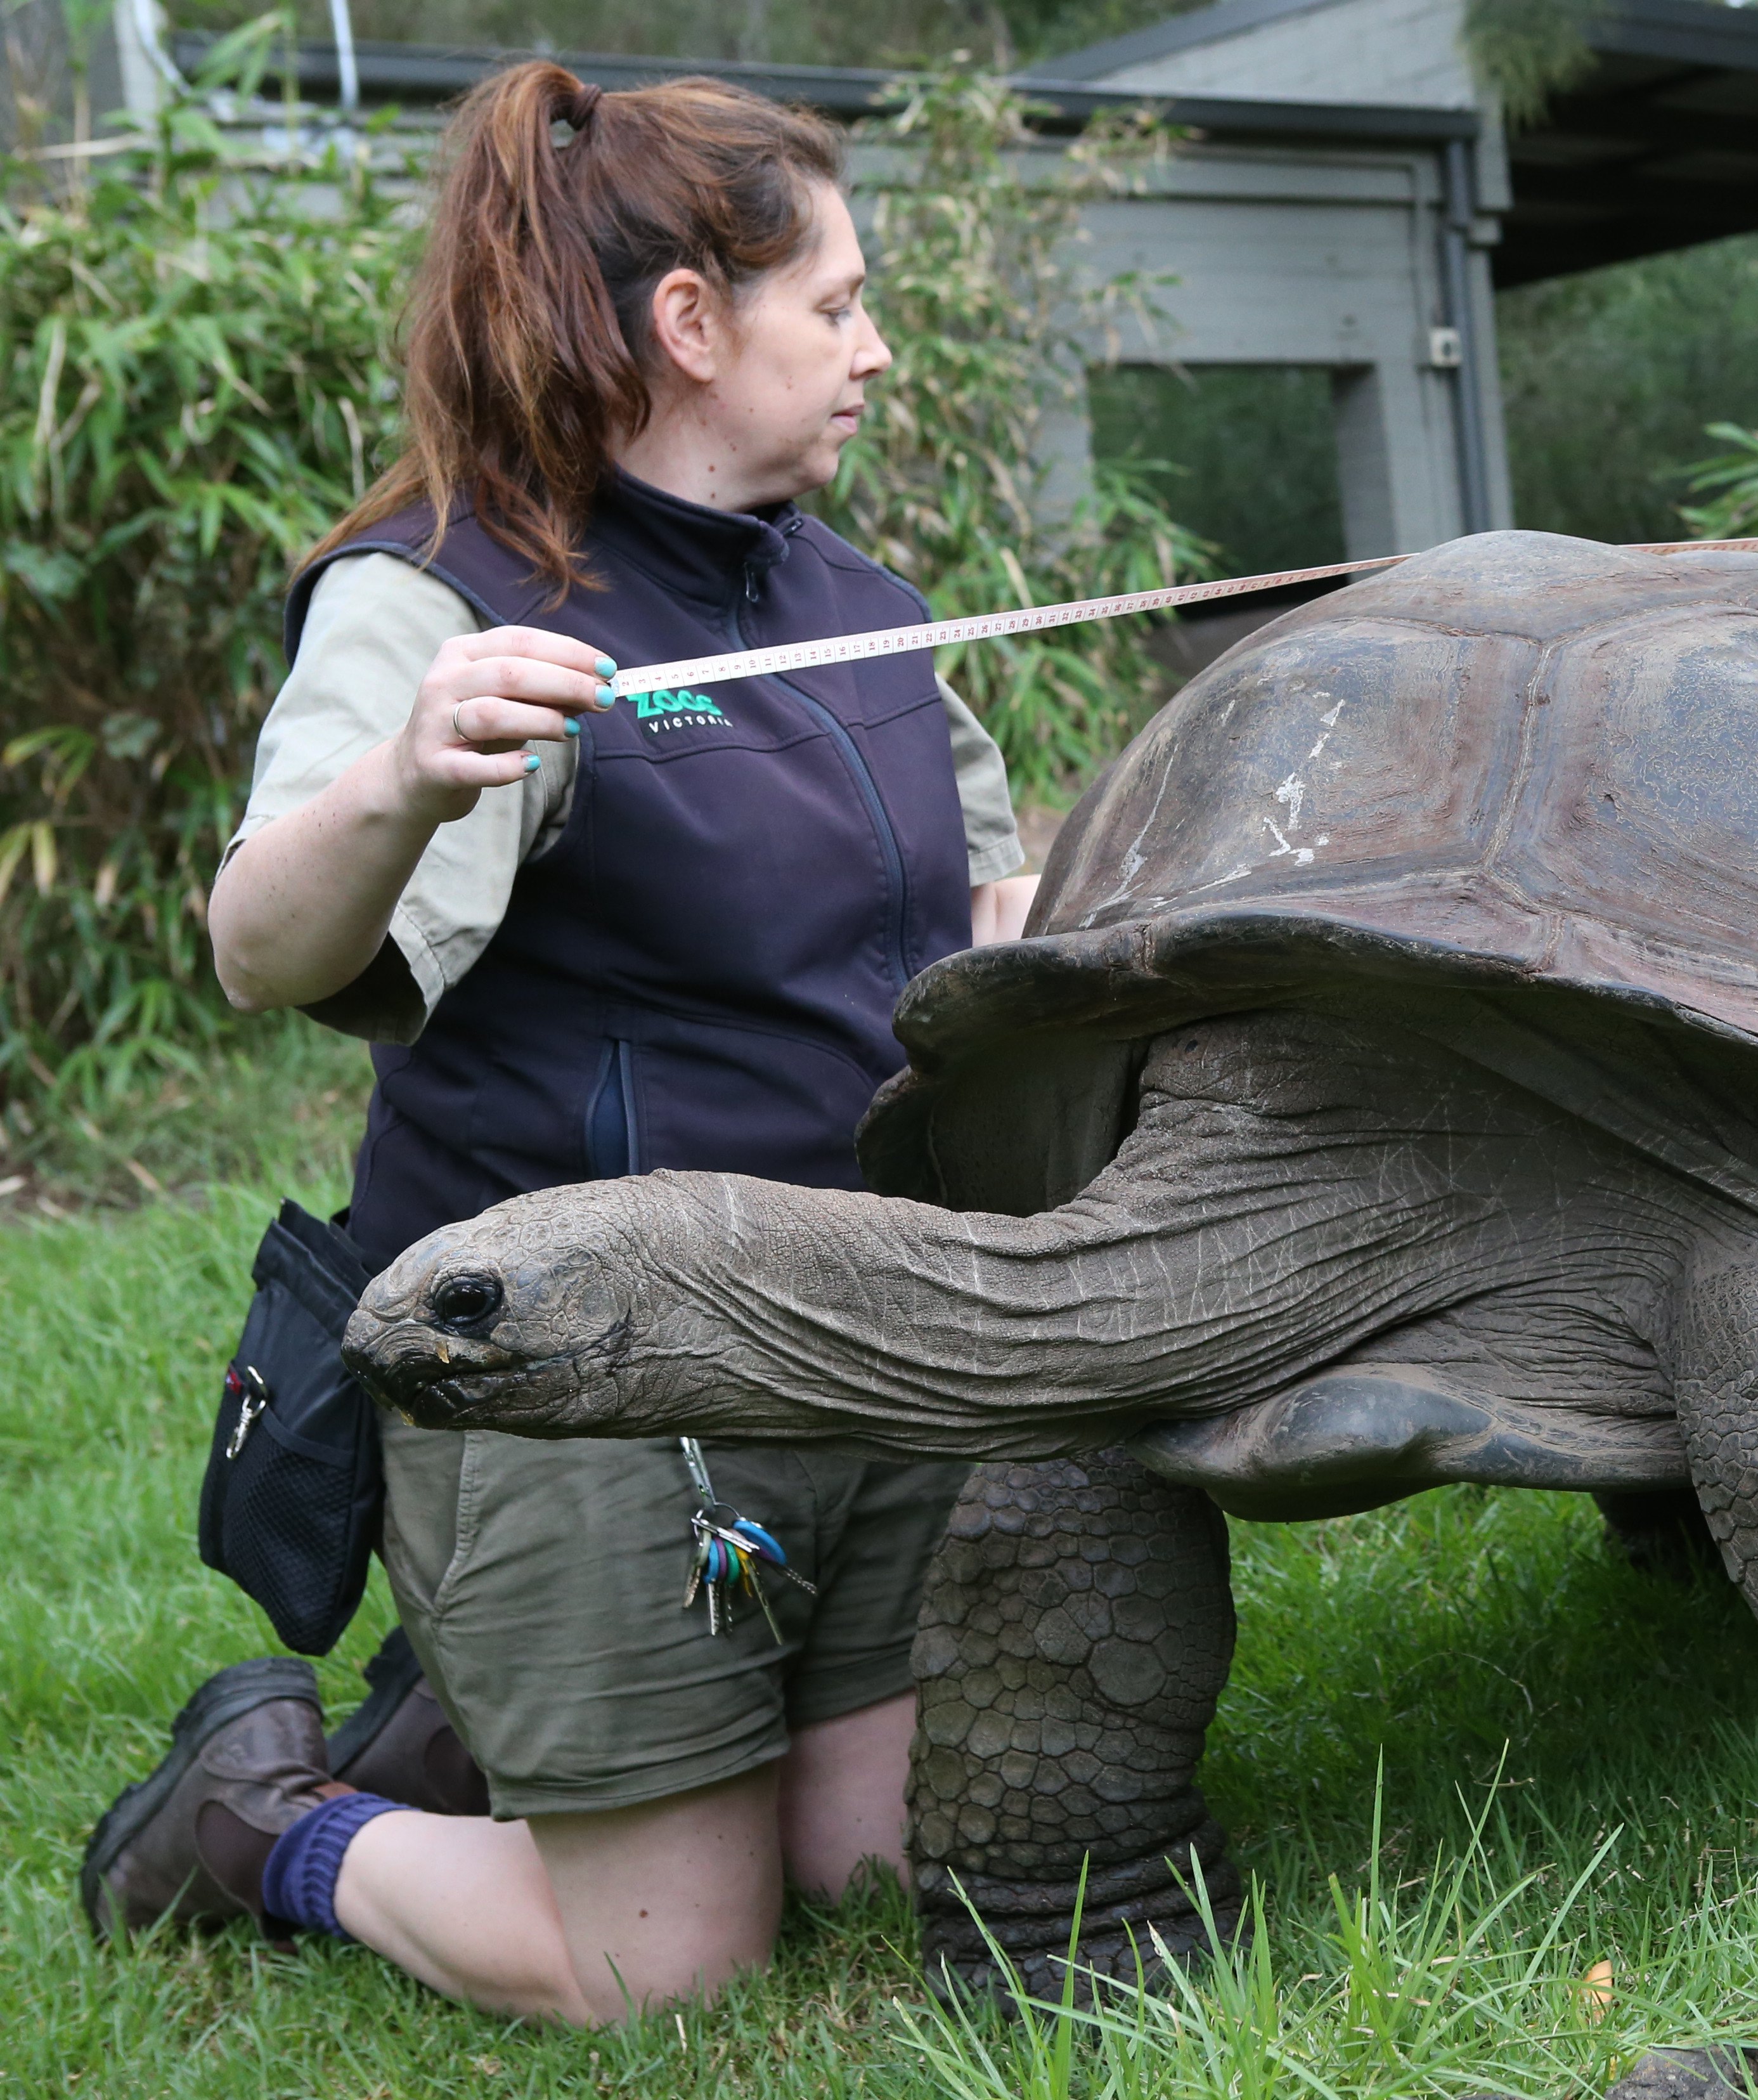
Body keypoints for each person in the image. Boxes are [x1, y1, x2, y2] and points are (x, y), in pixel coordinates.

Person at [81, 63, 1035, 2021]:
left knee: (884, 1869)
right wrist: (407, 778)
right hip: (593, 1385)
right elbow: (261, 944)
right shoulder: (446, 601)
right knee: (661, 1972)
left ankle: (492, 1733)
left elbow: (998, 930)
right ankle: (258, 1813)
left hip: (863, 1348)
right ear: (693, 324)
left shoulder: (862, 605)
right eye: (839, 305)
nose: (875, 349)